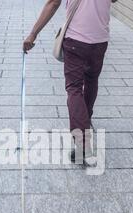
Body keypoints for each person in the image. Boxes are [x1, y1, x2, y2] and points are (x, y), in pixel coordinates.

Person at [24, 0, 117, 166]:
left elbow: (53, 4)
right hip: (100, 40)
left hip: (76, 40)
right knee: (91, 81)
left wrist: (33, 34)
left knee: (74, 89)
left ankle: (82, 144)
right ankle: (84, 121)